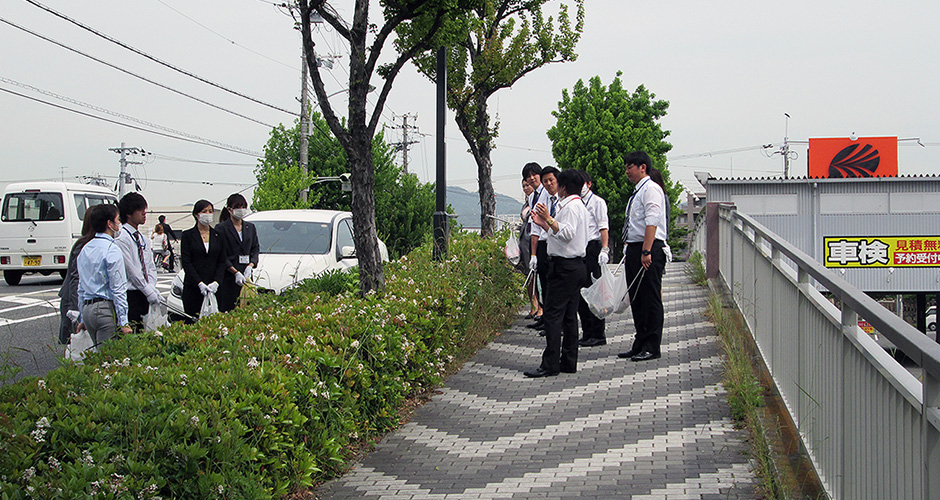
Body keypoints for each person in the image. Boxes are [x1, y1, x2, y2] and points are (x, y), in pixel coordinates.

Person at [523, 169, 589, 377]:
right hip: (574, 265)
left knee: (553, 315)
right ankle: (568, 361)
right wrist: (544, 223)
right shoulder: (578, 205)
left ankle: (550, 363)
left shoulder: (571, 207)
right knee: (569, 315)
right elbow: (561, 232)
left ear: (564, 186)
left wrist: (548, 219)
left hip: (565, 266)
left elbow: (567, 233)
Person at [617, 151, 669, 362]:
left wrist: (646, 251)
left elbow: (652, 221)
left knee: (650, 298)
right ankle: (640, 341)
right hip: (635, 247)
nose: (627, 171)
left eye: (630, 167)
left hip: (648, 248)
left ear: (642, 168)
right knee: (637, 298)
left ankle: (652, 345)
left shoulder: (651, 190)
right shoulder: (637, 192)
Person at [76, 204, 131, 345]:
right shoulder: (112, 249)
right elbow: (118, 288)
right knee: (107, 358)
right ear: (109, 224)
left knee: (97, 354)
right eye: (117, 220)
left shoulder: (85, 249)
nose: (119, 224)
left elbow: (81, 287)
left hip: (88, 309)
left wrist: (82, 317)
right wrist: (123, 321)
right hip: (104, 309)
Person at [114, 193, 161, 331]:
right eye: (140, 209)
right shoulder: (122, 238)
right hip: (131, 294)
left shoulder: (143, 239)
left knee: (146, 333)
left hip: (145, 293)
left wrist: (151, 286)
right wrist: (146, 289)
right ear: (128, 213)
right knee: (134, 334)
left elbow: (150, 266)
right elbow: (131, 270)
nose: (144, 213)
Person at [577, 170, 611, 347]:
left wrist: (604, 249)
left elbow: (603, 227)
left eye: (583, 184)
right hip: (580, 248)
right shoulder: (577, 203)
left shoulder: (597, 202)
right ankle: (587, 331)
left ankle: (598, 333)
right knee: (582, 292)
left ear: (589, 184)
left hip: (593, 247)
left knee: (596, 292)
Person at [180, 200, 226, 323]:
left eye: (210, 211)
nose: (208, 214)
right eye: (204, 211)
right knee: (193, 322)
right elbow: (186, 262)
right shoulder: (187, 235)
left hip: (214, 287)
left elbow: (222, 261)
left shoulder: (218, 235)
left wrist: (217, 282)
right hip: (193, 288)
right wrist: (199, 283)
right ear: (196, 214)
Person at [57, 205, 98, 345]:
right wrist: (75, 309)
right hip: (72, 301)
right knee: (75, 345)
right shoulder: (83, 245)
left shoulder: (91, 244)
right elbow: (76, 278)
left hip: (79, 301)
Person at [528, 165, 560, 332]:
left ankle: (555, 323)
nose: (548, 184)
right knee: (545, 284)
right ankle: (546, 318)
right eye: (546, 181)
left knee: (555, 286)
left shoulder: (563, 199)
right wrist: (533, 254)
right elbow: (535, 226)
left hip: (557, 244)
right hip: (543, 243)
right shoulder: (542, 197)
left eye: (550, 180)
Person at [216, 193, 259, 312]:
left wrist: (251, 265)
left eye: (243, 207)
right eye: (238, 207)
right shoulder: (221, 228)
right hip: (228, 277)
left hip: (246, 275)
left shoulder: (250, 227)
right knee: (229, 308)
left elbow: (255, 249)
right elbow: (220, 254)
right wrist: (235, 272)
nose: (241, 210)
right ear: (230, 209)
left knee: (248, 308)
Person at [522, 162, 545, 323]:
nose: (531, 178)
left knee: (547, 282)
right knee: (540, 278)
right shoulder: (532, 196)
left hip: (547, 240)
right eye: (528, 176)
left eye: (534, 175)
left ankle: (544, 313)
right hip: (533, 239)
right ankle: (543, 317)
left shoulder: (546, 193)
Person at [519, 179, 540, 319]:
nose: (526, 188)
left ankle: (539, 306)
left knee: (535, 274)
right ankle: (533, 304)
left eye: (528, 185)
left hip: (533, 239)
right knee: (527, 273)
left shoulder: (538, 201)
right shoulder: (526, 203)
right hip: (524, 240)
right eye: (524, 186)